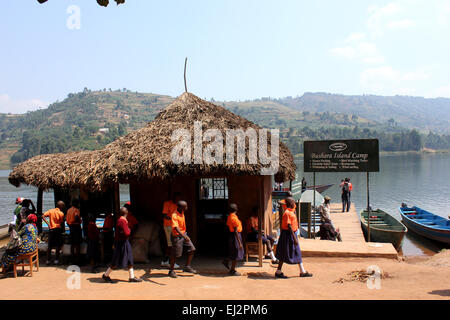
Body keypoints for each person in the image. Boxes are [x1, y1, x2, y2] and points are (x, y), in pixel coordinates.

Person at [275, 197, 313, 279]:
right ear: (289, 204)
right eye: (293, 202)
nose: (294, 204)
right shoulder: (287, 213)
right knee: (296, 252)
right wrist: (295, 238)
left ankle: (279, 271)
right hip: (289, 235)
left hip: (290, 234)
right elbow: (289, 226)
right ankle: (302, 271)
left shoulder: (291, 211)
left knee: (284, 253)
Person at [102, 207, 142, 282]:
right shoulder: (122, 221)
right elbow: (127, 233)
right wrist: (129, 230)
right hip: (121, 243)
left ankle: (131, 277)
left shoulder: (120, 220)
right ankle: (105, 275)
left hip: (124, 242)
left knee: (130, 259)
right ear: (126, 213)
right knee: (115, 261)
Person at [168, 201, 197, 278]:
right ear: (180, 207)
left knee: (192, 249)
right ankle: (171, 270)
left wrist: (184, 235)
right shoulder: (174, 215)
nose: (186, 208)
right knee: (176, 254)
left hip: (184, 234)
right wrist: (184, 237)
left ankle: (187, 266)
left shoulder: (182, 212)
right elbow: (176, 228)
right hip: (177, 236)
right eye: (185, 207)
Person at [222, 204, 244, 276]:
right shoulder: (233, 218)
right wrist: (239, 242)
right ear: (236, 209)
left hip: (233, 236)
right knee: (236, 253)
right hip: (235, 236)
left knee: (234, 252)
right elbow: (235, 231)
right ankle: (232, 270)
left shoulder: (230, 216)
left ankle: (227, 260)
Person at [161, 192, 181, 268]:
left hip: (175, 226)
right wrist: (173, 219)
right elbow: (165, 215)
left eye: (179, 198)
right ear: (173, 197)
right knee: (171, 244)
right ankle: (170, 262)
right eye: (177, 198)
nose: (178, 200)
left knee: (171, 244)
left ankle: (165, 261)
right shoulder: (167, 203)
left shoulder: (178, 205)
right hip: (168, 226)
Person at [43, 201, 65, 265]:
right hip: (58, 229)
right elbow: (61, 222)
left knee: (50, 245)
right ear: (60, 206)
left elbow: (43, 216)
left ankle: (48, 260)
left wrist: (48, 224)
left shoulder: (50, 211)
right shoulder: (61, 213)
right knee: (58, 245)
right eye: (63, 206)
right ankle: (56, 260)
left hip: (51, 229)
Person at [66, 199, 82, 265]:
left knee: (72, 244)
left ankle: (72, 260)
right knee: (77, 244)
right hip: (76, 227)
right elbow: (76, 216)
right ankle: (78, 260)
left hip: (71, 227)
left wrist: (70, 225)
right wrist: (77, 221)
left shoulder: (69, 210)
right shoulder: (76, 210)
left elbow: (67, 221)